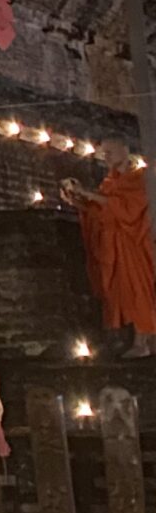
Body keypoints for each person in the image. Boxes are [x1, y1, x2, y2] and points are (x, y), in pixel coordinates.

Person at [63, 139, 156, 354]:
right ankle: (139, 342)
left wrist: (88, 194)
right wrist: (78, 202)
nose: (107, 157)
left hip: (136, 245)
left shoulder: (140, 179)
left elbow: (130, 210)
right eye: (104, 153)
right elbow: (102, 215)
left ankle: (146, 342)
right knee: (125, 295)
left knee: (141, 292)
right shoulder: (108, 184)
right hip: (117, 247)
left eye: (111, 152)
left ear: (125, 150)